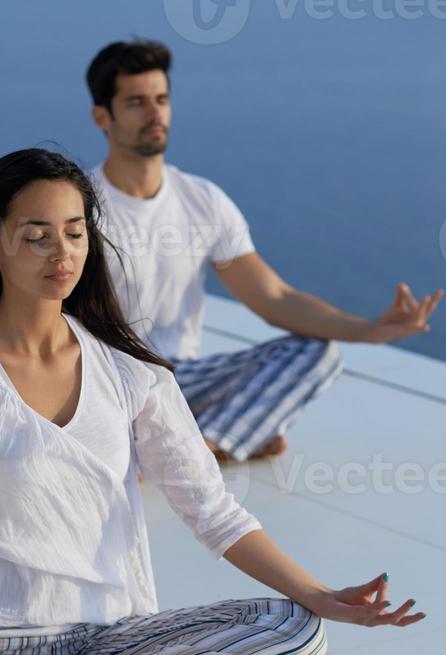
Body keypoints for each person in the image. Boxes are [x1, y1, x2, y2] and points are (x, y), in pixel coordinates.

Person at [0, 149, 426, 655]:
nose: (63, 253)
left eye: (76, 233)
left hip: (111, 639)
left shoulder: (131, 371)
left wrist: (318, 594)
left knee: (298, 632)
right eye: (37, 235)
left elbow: (213, 511)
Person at [84, 40, 444, 464]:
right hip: (111, 381)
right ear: (102, 117)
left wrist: (370, 330)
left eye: (162, 99)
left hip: (180, 379)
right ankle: (236, 433)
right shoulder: (82, 210)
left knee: (315, 353)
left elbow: (274, 298)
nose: (155, 113)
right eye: (137, 102)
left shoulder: (202, 199)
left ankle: (203, 447)